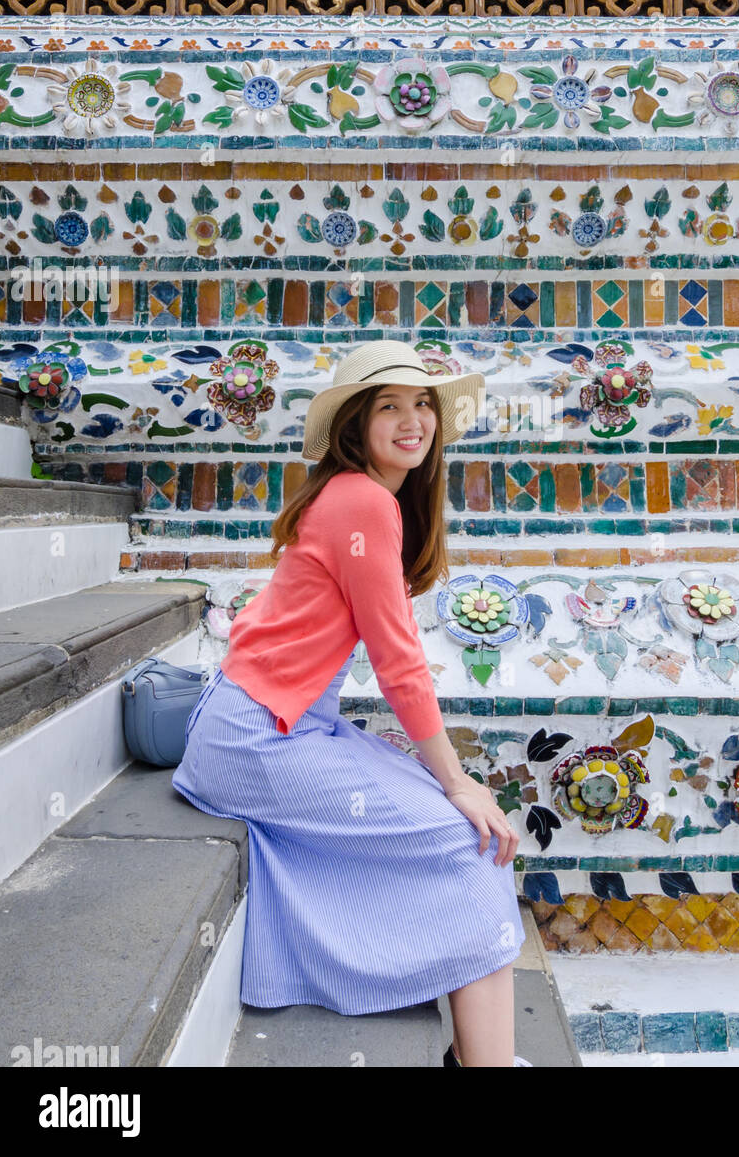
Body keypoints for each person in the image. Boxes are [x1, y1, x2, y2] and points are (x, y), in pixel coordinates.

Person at [172, 340, 529, 1067]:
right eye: (388, 406)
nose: (412, 420)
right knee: (471, 841)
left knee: (451, 816)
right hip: (259, 739)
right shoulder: (362, 500)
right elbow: (398, 666)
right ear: (354, 426)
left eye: (422, 403)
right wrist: (457, 780)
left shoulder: (357, 498)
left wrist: (448, 782)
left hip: (278, 726)